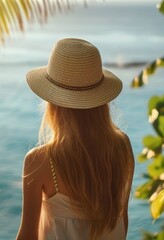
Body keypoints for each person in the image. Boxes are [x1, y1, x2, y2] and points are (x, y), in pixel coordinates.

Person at [16, 38, 135, 240]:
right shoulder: (122, 146)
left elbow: (27, 236)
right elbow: (122, 220)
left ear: (53, 103)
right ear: (100, 100)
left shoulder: (40, 161)